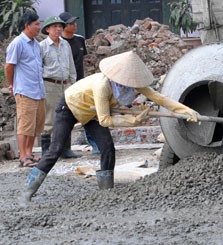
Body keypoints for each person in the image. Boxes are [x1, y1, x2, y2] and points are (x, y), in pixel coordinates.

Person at [20, 51, 200, 204]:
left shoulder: (134, 85)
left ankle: (106, 192)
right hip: (70, 106)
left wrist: (187, 111)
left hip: (92, 113)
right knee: (56, 149)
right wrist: (133, 121)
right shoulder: (102, 86)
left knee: (107, 148)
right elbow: (105, 120)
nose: (131, 86)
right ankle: (28, 191)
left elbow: (159, 98)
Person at [5, 10, 46, 168]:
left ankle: (29, 153)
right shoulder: (17, 43)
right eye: (36, 24)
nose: (39, 27)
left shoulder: (36, 44)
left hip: (38, 89)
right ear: (27, 26)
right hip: (25, 90)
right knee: (25, 125)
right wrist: (12, 84)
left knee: (35, 125)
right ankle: (23, 157)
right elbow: (9, 66)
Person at [59, 11, 100, 155]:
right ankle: (65, 148)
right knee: (66, 116)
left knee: (88, 113)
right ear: (63, 27)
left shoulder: (80, 39)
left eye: (74, 22)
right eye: (71, 24)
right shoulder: (59, 43)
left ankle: (95, 144)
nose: (74, 25)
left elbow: (83, 60)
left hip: (80, 82)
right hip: (64, 84)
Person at [39, 16, 80, 158]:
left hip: (66, 84)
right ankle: (46, 150)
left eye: (60, 26)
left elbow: (71, 66)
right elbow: (39, 68)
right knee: (49, 117)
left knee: (67, 115)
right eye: (55, 26)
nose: (58, 29)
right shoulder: (42, 46)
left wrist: (72, 83)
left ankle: (65, 148)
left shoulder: (65, 45)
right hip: (50, 84)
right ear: (47, 29)